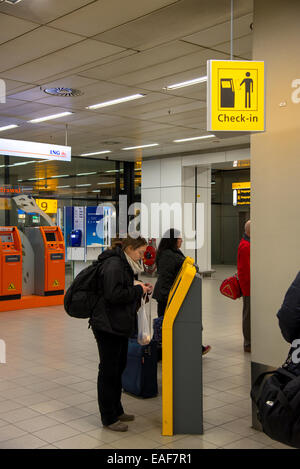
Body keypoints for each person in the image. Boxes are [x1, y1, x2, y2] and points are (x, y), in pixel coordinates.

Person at [89, 236, 152, 432]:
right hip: (107, 325)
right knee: (109, 370)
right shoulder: (114, 265)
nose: (142, 257)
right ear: (130, 249)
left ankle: (117, 409)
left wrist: (140, 288)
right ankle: (108, 417)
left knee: (118, 367)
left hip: (118, 323)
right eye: (140, 252)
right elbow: (113, 295)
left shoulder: (124, 264)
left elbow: (123, 288)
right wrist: (136, 290)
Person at [153, 228, 211, 356]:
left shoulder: (169, 252)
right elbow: (190, 267)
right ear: (173, 240)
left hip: (167, 293)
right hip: (167, 295)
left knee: (167, 323)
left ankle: (163, 350)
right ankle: (157, 352)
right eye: (180, 239)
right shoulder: (169, 255)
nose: (182, 241)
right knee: (167, 324)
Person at [237, 220, 251, 353]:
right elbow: (245, 270)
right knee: (248, 314)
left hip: (250, 286)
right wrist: (247, 288)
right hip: (249, 287)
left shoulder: (247, 244)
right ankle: (248, 343)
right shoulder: (246, 246)